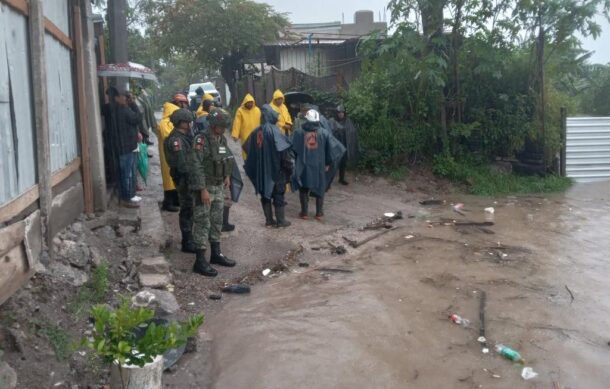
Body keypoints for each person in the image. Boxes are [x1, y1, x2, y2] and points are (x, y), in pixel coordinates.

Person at [189, 108, 237, 276]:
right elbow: (196, 165)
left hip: (218, 186)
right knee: (203, 222)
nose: (224, 129)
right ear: (214, 124)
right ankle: (200, 261)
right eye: (221, 126)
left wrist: (227, 175)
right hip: (206, 187)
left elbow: (224, 157)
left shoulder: (221, 139)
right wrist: (202, 189)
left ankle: (216, 254)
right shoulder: (201, 140)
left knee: (217, 220)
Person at [243, 104, 293, 227]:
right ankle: (281, 221)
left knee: (265, 194)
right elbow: (283, 151)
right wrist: (289, 166)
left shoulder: (256, 131)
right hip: (276, 170)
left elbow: (246, 147)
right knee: (278, 194)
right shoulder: (275, 131)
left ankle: (269, 220)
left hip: (262, 170)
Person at [291, 109, 345, 221]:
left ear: (306, 119)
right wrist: (328, 163)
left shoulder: (299, 132)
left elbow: (293, 149)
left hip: (304, 166)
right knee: (320, 187)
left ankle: (304, 213)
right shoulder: (324, 133)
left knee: (304, 188)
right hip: (319, 166)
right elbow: (333, 149)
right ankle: (319, 213)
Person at [164, 109, 197, 254]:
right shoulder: (176, 140)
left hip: (187, 178)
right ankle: (187, 241)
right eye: (187, 122)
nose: (190, 124)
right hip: (184, 179)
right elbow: (183, 164)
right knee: (187, 208)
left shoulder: (184, 136)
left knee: (190, 208)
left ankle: (190, 238)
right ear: (180, 123)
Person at [158, 93, 189, 212]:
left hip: (177, 155)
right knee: (169, 179)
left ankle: (176, 200)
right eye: (184, 103)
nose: (185, 105)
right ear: (178, 103)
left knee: (177, 178)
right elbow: (169, 136)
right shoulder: (166, 121)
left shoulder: (175, 118)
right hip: (169, 155)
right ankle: (168, 202)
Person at [114, 91, 143, 208]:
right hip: (126, 146)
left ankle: (129, 195)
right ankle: (127, 198)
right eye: (126, 97)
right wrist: (134, 104)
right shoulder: (124, 111)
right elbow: (137, 118)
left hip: (125, 145)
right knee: (127, 174)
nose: (127, 99)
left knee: (128, 173)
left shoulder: (121, 110)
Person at [329, 105, 359, 185]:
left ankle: (341, 179)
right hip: (335, 146)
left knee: (343, 163)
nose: (341, 114)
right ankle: (329, 179)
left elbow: (352, 132)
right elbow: (329, 132)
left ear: (344, 113)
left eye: (342, 112)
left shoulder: (347, 121)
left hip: (344, 145)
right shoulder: (332, 121)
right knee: (333, 163)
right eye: (339, 112)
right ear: (336, 113)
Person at [231, 93, 261, 159]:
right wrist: (235, 135)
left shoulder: (257, 110)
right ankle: (247, 164)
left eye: (251, 102)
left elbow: (261, 122)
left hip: (257, 135)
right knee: (246, 151)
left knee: (257, 152)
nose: (250, 104)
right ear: (245, 103)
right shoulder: (240, 111)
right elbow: (237, 123)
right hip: (245, 136)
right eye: (248, 102)